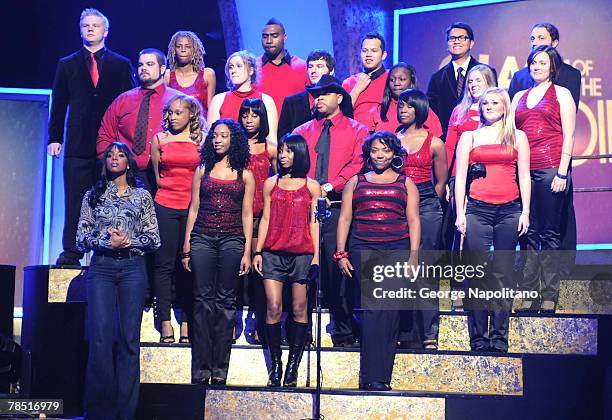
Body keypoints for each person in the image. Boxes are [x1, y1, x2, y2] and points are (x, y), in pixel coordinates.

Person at [76, 142, 160, 419]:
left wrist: (128, 241)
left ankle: (126, 412)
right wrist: (105, 242)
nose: (114, 159)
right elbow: (81, 238)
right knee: (100, 338)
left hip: (133, 269)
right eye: (110, 155)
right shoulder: (93, 195)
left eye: (120, 155)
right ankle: (99, 410)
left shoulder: (142, 196)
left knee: (128, 340)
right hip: (101, 268)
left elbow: (154, 238)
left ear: (129, 162)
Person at [49, 8, 135, 265]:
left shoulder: (121, 64)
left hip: (111, 147)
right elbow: (59, 103)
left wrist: (128, 144)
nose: (90, 29)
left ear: (105, 31)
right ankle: (72, 252)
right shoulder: (67, 64)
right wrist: (55, 137)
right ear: (80, 29)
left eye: (95, 26)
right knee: (75, 198)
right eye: (85, 25)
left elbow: (130, 104)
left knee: (107, 199)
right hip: (77, 144)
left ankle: (105, 250)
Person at [336, 132, 420, 391]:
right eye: (374, 150)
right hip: (365, 249)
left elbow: (414, 220)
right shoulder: (355, 182)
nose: (379, 155)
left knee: (391, 313)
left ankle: (381, 376)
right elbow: (345, 219)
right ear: (368, 153)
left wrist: (414, 256)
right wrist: (341, 252)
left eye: (385, 150)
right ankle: (373, 377)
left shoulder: (406, 183)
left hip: (396, 249)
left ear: (395, 154)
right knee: (374, 311)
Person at [292, 75, 368, 347]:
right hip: (305, 208)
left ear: (339, 97)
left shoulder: (357, 130)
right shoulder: (301, 132)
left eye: (325, 93)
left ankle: (343, 330)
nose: (318, 98)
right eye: (315, 94)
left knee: (338, 270)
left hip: (337, 207)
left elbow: (358, 165)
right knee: (305, 267)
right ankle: (302, 330)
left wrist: (329, 186)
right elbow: (294, 164)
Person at [454, 88, 531, 351]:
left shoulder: (518, 136)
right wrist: (460, 214)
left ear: (504, 107)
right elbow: (460, 178)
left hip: (509, 211)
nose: (488, 106)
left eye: (494, 102)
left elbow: (524, 176)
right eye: (485, 102)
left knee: (502, 274)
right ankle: (478, 337)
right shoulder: (469, 136)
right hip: (477, 210)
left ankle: (499, 337)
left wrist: (526, 211)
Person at [182, 119, 255, 385]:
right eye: (215, 135)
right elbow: (193, 208)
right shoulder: (202, 170)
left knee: (225, 303)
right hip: (202, 237)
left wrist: (247, 251)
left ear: (233, 140)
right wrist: (187, 245)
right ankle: (201, 368)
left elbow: (247, 214)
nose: (218, 140)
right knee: (202, 302)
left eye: (224, 136)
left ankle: (219, 368)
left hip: (232, 240)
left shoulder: (245, 175)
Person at [508, 22, 580, 276]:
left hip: (551, 169)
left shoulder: (562, 94)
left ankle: (549, 294)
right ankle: (528, 291)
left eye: (542, 63)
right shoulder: (518, 97)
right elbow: (510, 133)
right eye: (533, 63)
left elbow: (569, 134)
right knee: (528, 231)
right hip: (524, 171)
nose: (536, 67)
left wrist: (562, 173)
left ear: (552, 67)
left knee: (550, 233)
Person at [253, 134, 321, 387]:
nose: (282, 155)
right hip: (273, 253)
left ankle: (293, 366)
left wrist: (316, 257)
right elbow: (267, 219)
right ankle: (276, 365)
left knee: (300, 309)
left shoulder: (312, 186)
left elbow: (315, 224)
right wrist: (258, 251)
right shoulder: (272, 183)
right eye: (280, 150)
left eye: (288, 151)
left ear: (299, 154)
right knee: (273, 306)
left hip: (302, 254)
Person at [150, 94, 205, 344]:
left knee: (189, 264)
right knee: (163, 264)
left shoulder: (201, 140)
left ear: (191, 114)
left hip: (193, 207)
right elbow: (157, 177)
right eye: (170, 113)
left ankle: (185, 320)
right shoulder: (159, 139)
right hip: (165, 205)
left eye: (178, 113)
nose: (172, 117)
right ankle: (164, 321)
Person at [396, 89, 447, 349]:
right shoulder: (392, 140)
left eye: (407, 106)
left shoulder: (435, 142)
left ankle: (429, 333)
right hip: (397, 204)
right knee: (399, 269)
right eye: (400, 106)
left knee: (425, 269)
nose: (402, 110)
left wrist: (426, 204)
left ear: (419, 108)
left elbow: (441, 182)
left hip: (427, 204)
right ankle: (404, 331)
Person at [97, 48, 181, 192]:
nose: (143, 68)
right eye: (141, 65)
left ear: (162, 69)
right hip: (126, 177)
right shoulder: (123, 100)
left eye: (149, 64)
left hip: (166, 177)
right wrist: (112, 168)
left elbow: (195, 135)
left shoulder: (178, 101)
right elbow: (104, 136)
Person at [238, 98, 278, 344]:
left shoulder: (271, 148)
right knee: (237, 270)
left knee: (259, 271)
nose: (249, 119)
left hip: (263, 216)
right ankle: (234, 321)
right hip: (238, 214)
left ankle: (260, 321)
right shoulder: (235, 146)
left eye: (254, 115)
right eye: (245, 115)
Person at [426, 22, 496, 140]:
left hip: (482, 138)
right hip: (448, 141)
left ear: (471, 43)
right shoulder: (437, 78)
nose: (456, 41)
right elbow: (432, 114)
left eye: (462, 38)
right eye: (452, 38)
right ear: (447, 44)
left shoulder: (487, 72)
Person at [207, 51, 278, 141]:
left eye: (239, 66)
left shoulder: (266, 100)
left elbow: (272, 140)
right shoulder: (218, 100)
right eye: (230, 67)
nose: (233, 71)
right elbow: (211, 138)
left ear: (251, 70)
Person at [508, 22, 581, 109]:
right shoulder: (519, 77)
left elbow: (571, 111)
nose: (534, 43)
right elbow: (510, 112)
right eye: (532, 39)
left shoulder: (571, 75)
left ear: (554, 43)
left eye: (541, 38)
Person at [279, 50, 347, 138]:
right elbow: (282, 137)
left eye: (319, 66)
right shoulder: (291, 102)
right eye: (310, 67)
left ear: (331, 71)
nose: (313, 71)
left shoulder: (340, 98)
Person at [367, 62, 442, 136]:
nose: (396, 83)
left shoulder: (424, 110)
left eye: (402, 79)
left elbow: (436, 139)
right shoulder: (377, 111)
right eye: (392, 80)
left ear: (411, 82)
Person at [255, 18, 309, 115]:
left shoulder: (302, 67)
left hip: (295, 128)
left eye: (274, 36)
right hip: (262, 128)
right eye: (265, 36)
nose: (269, 41)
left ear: (285, 38)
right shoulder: (253, 68)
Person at [165, 31, 216, 117]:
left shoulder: (207, 75)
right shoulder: (167, 76)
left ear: (194, 49)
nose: (183, 50)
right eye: (179, 46)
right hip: (176, 128)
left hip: (201, 128)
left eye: (188, 46)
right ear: (174, 50)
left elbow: (211, 110)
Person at [342, 32, 389, 125]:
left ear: (383, 55)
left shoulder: (392, 79)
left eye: (374, 50)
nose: (368, 54)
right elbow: (341, 114)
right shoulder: (349, 83)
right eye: (364, 50)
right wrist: (356, 90)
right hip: (356, 134)